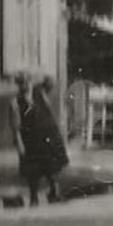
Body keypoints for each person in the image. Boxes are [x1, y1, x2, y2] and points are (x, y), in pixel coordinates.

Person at [16, 76, 69, 207]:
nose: (26, 86)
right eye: (23, 84)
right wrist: (19, 143)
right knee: (33, 170)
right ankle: (34, 197)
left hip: (48, 136)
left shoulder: (39, 92)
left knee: (52, 166)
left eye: (28, 82)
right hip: (32, 139)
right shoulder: (19, 101)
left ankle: (54, 193)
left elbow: (49, 85)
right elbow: (17, 124)